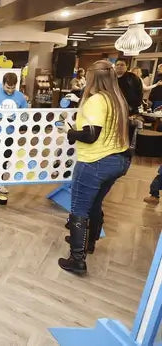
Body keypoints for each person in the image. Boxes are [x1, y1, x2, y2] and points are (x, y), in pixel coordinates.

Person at [58, 60, 131, 275]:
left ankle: (77, 259)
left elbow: (91, 135)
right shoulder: (117, 99)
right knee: (95, 204)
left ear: (92, 77)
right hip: (118, 160)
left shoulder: (95, 101)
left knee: (79, 209)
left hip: (95, 161)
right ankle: (88, 244)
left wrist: (72, 134)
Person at [0, 72, 28, 196]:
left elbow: (24, 114)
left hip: (11, 133)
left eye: (13, 87)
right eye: (8, 87)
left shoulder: (20, 97)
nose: (10, 90)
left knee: (5, 159)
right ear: (3, 84)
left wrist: (22, 126)